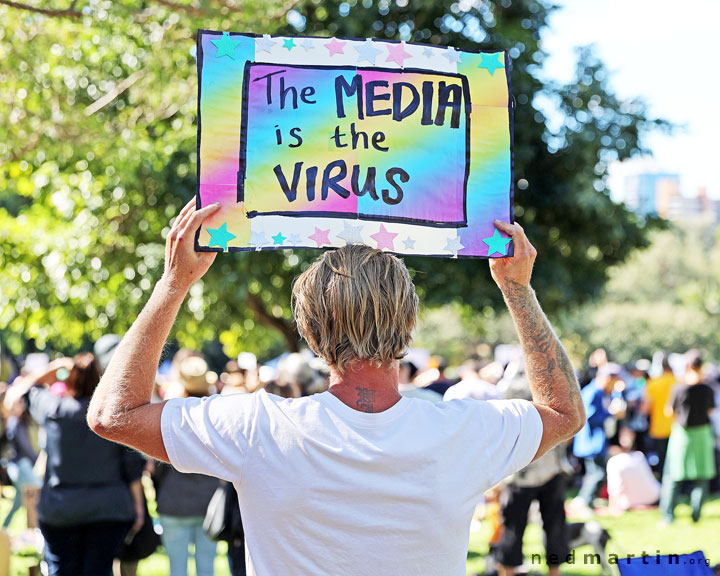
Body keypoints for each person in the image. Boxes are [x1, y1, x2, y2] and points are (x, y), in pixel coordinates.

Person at [87, 201, 585, 576]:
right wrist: (518, 290)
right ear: (409, 326)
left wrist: (173, 284)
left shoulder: (257, 427)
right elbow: (563, 411)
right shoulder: (462, 430)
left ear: (311, 335)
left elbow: (113, 414)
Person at [5, 354, 144, 576]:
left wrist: (55, 368)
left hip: (62, 508)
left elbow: (21, 390)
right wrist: (138, 505)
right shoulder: (110, 416)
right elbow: (131, 463)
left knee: (62, 570)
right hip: (107, 508)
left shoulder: (54, 410)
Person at [496, 375, 570, 576]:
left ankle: (516, 571)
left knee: (522, 524)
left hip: (537, 468)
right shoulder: (542, 385)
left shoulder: (520, 386)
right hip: (528, 470)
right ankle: (518, 570)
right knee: (517, 525)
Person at [154, 352, 219, 576]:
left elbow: (158, 465)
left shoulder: (171, 414)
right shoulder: (217, 415)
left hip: (174, 499)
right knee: (206, 566)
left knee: (177, 569)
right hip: (207, 500)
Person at [659, 350, 716, 524]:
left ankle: (668, 516)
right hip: (702, 434)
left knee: (673, 476)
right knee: (701, 477)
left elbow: (669, 411)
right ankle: (696, 515)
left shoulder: (679, 388)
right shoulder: (707, 389)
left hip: (682, 435)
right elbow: (710, 411)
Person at [571, 363, 625, 514]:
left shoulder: (601, 392)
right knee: (597, 474)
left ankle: (586, 501)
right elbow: (589, 417)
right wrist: (611, 414)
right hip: (590, 442)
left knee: (595, 473)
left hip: (597, 442)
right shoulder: (592, 392)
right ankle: (584, 502)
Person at [605, 427, 660, 512]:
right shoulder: (639, 456)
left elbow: (615, 489)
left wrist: (612, 507)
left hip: (632, 502)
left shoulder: (614, 462)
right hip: (654, 497)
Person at [641, 353, 677, 475]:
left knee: (662, 460)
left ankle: (665, 484)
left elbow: (645, 408)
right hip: (677, 428)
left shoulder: (653, 384)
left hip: (658, 428)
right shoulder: (679, 382)